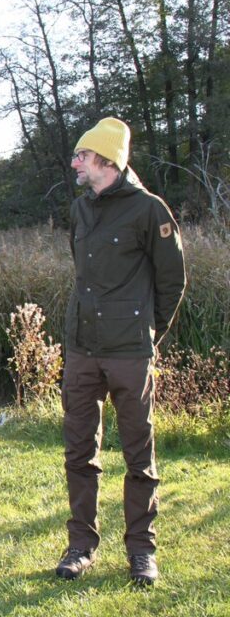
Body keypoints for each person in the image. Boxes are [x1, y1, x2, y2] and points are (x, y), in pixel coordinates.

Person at [56, 117, 186, 586]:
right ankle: (81, 546)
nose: (75, 163)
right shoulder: (80, 209)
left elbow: (172, 282)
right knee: (79, 453)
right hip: (82, 351)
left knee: (138, 455)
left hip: (130, 354)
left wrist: (147, 335)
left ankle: (141, 552)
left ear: (107, 161)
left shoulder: (150, 210)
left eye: (82, 156)